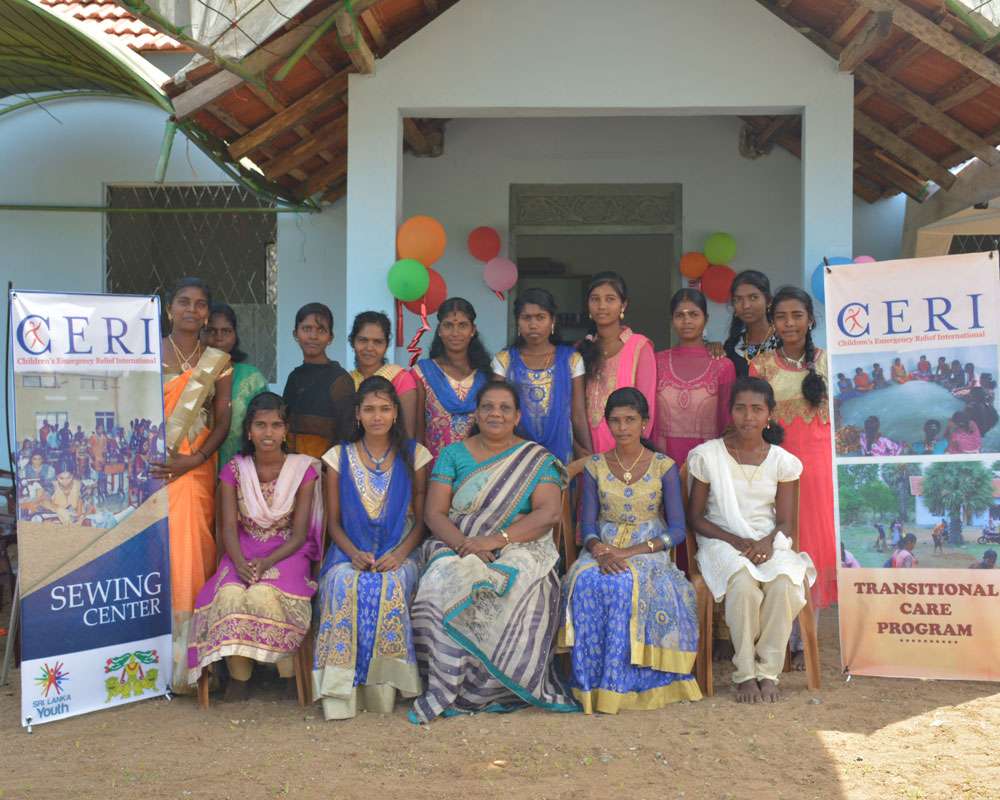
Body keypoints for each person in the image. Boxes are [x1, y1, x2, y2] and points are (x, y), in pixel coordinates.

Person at [410, 380, 576, 723]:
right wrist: (464, 546)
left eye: (504, 408)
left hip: (520, 545)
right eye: (487, 407)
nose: (495, 414)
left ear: (517, 416)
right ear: (477, 413)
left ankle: (496, 688)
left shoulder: (536, 459)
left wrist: (494, 541)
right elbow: (434, 513)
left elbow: (548, 513)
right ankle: (448, 686)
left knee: (522, 584)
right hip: (458, 542)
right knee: (440, 583)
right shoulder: (454, 454)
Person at [559, 388, 700, 713]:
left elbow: (678, 530)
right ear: (607, 424)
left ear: (645, 423)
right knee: (587, 583)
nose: (622, 428)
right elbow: (589, 525)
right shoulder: (595, 466)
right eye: (616, 421)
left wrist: (631, 552)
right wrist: (599, 550)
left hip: (648, 549)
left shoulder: (663, 466)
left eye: (630, 420)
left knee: (625, 585)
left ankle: (629, 684)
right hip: (601, 548)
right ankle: (592, 685)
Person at [686, 377, 815, 704]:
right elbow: (696, 517)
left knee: (785, 583)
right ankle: (744, 673)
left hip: (768, 542)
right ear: (730, 413)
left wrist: (766, 543)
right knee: (742, 584)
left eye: (757, 409)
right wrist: (736, 540)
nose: (748, 417)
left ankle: (768, 672)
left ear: (769, 415)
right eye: (741, 409)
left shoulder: (782, 461)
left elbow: (785, 522)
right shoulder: (707, 456)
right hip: (720, 541)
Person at [187, 392, 323, 700]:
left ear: (286, 430)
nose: (268, 433)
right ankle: (240, 677)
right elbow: (227, 528)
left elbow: (300, 534)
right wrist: (237, 563)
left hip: (288, 551)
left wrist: (266, 563)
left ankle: (286, 673)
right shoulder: (235, 470)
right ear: (249, 430)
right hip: (242, 552)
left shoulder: (303, 470)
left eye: (276, 425)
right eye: (260, 425)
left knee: (264, 594)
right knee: (230, 594)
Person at [313, 376, 431, 720]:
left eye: (384, 409)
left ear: (396, 413)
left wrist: (399, 555)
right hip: (348, 550)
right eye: (369, 409)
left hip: (401, 549)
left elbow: (423, 520)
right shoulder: (338, 457)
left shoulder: (416, 455)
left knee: (389, 586)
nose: (377, 416)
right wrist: (352, 554)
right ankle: (341, 693)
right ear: (358, 415)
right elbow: (333, 522)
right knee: (343, 584)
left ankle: (383, 692)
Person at [151, 277, 233, 693]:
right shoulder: (145, 353)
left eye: (200, 304)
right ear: (169, 308)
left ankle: (188, 666)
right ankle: (146, 660)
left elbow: (223, 422)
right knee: (151, 556)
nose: (192, 309)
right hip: (151, 468)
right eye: (183, 301)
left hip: (195, 470)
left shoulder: (216, 361)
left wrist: (195, 459)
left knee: (191, 555)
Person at [750, 286, 835, 667]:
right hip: (775, 469)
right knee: (779, 546)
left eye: (796, 315)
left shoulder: (828, 361)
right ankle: (777, 638)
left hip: (816, 471)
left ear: (810, 319)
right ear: (773, 321)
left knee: (810, 547)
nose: (789, 324)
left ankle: (804, 642)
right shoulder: (761, 366)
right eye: (781, 317)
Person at [492, 288, 590, 463]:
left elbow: (578, 414)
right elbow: (497, 409)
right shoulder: (504, 361)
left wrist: (589, 452)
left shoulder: (571, 360)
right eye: (526, 318)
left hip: (561, 449)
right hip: (514, 452)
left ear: (552, 321)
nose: (533, 324)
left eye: (540, 317)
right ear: (517, 322)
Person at [652, 288, 735, 466]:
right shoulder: (657, 361)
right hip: (662, 463)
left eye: (694, 314)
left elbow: (727, 421)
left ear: (706, 319)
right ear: (672, 320)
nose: (687, 320)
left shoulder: (723, 366)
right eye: (680, 315)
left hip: (708, 464)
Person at [578, 272, 656, 454]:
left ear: (624, 304)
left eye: (610, 299)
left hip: (626, 452)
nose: (602, 306)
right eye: (595, 299)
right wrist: (578, 448)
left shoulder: (640, 347)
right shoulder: (580, 349)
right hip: (585, 451)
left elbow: (647, 409)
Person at [413, 297, 491, 461]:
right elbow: (418, 432)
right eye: (448, 325)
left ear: (473, 330)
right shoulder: (422, 373)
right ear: (439, 330)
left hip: (477, 470)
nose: (455, 333)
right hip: (435, 470)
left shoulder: (487, 375)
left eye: (462, 325)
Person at [282, 302, 353, 459]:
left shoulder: (340, 380)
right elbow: (284, 425)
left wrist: (328, 471)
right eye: (307, 329)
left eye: (321, 330)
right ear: (295, 334)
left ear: (330, 337)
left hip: (328, 471)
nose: (313, 336)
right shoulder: (294, 377)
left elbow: (347, 435)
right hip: (292, 469)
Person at [206, 304, 269, 470]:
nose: (219, 337)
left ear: (235, 336)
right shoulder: (188, 374)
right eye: (211, 331)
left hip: (240, 470)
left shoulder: (252, 378)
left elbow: (266, 427)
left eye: (226, 331)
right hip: (193, 469)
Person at [346, 311, 419, 438]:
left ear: (386, 345)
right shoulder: (346, 381)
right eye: (363, 340)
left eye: (377, 342)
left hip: (395, 454)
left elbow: (407, 435)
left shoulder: (401, 379)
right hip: (352, 453)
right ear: (353, 342)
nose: (369, 348)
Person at [722, 270, 780, 378]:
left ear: (768, 301)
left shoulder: (783, 341)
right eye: (738, 299)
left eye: (753, 297)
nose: (746, 306)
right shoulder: (732, 345)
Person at [43, 460, 84, 525]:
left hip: (74, 519)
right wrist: (59, 510)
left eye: (68, 477)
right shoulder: (51, 485)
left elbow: (82, 504)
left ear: (73, 475)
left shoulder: (80, 485)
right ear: (56, 476)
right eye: (61, 478)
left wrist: (80, 518)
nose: (65, 481)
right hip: (55, 519)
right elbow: (44, 501)